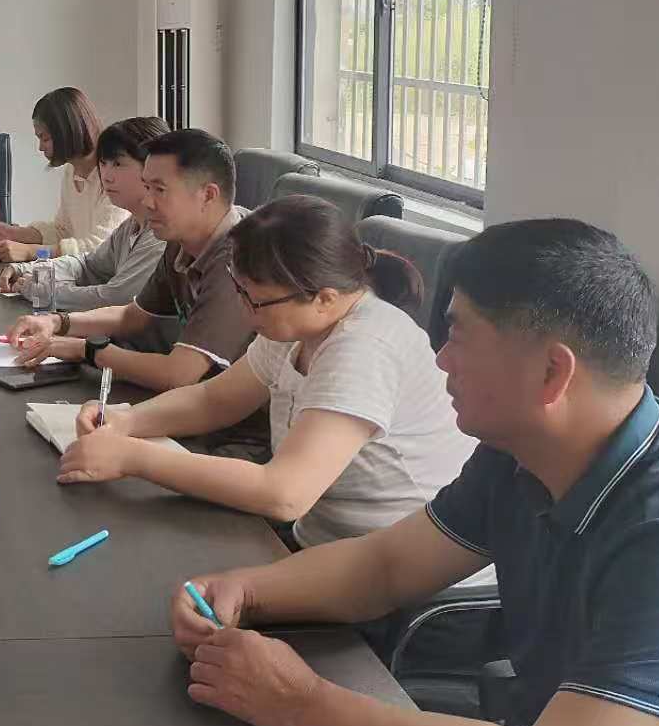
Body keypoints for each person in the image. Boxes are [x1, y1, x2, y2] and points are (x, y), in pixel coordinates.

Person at [170, 219, 659, 726]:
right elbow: (387, 565)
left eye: (458, 334)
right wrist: (245, 589)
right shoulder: (518, 455)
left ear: (552, 373)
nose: (441, 358)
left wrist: (300, 702)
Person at [56, 195, 478, 556]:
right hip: (326, 546)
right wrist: (126, 420)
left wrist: (133, 457)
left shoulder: (364, 347)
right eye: (240, 290)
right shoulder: (296, 322)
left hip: (398, 574)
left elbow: (284, 493)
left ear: (324, 297)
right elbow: (215, 400)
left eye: (255, 300)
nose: (245, 311)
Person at [7, 129, 256, 397]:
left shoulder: (238, 259)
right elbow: (133, 316)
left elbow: (178, 374)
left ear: (208, 195)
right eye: (147, 187)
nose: (147, 201)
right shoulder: (181, 241)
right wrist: (57, 322)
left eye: (159, 190)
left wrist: (86, 350)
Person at [0, 116, 169, 310]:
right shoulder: (131, 226)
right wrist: (27, 269)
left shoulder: (160, 236)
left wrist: (44, 292)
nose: (106, 176)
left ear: (150, 168)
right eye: (103, 163)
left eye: (118, 164)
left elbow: (116, 298)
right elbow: (88, 265)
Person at [0, 86, 125, 262]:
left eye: (45, 138)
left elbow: (101, 248)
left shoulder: (113, 176)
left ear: (67, 132)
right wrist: (12, 233)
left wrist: (31, 251)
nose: (40, 147)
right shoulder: (72, 171)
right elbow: (63, 232)